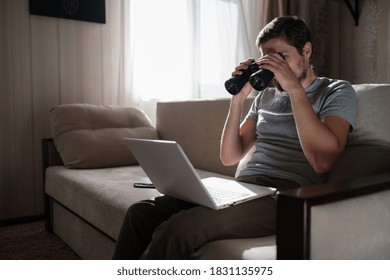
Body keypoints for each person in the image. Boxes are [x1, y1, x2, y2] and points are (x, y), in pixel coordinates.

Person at [112, 16, 357, 260]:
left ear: (306, 50)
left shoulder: (336, 91)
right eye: (267, 59)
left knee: (180, 229)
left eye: (281, 57)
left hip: (285, 196)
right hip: (246, 186)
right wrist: (238, 100)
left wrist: (294, 89)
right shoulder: (265, 98)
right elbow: (229, 157)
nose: (274, 69)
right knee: (141, 212)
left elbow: (322, 162)